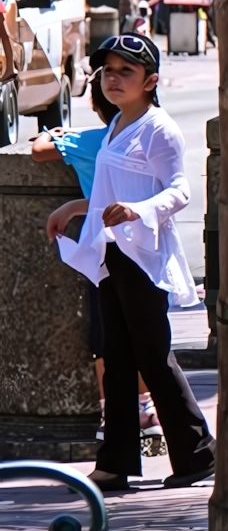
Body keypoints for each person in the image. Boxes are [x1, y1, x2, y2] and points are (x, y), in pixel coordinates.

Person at [47, 34, 214, 492]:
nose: (113, 79)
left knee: (152, 357)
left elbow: (179, 190)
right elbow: (111, 190)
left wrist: (139, 211)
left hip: (143, 257)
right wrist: (76, 209)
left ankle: (198, 453)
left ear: (151, 81)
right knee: (116, 357)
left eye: (127, 72)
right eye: (107, 71)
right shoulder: (118, 122)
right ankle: (115, 463)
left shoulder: (159, 128)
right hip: (110, 255)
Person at [32, 80, 162, 442]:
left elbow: (40, 151)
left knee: (104, 334)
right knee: (140, 329)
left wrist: (57, 133)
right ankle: (146, 407)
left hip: (103, 246)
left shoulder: (92, 141)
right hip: (141, 242)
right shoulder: (143, 134)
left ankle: (111, 412)